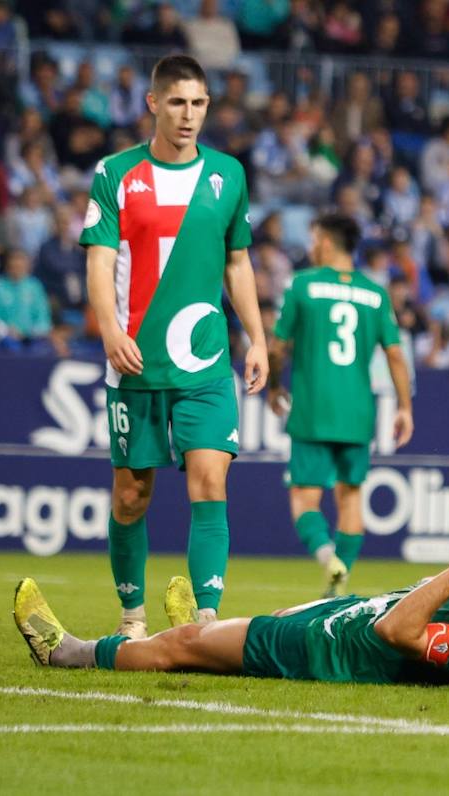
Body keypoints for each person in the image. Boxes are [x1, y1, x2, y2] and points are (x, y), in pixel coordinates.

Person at [13, 396, 449, 687]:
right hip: (347, 614)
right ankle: (200, 636)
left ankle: (68, 651)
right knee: (238, 629)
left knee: (184, 644)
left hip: (334, 653)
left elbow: (398, 634)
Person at [79, 55, 270, 641]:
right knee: (131, 495)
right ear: (153, 104)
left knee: (210, 480)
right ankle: (132, 617)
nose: (190, 115)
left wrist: (257, 339)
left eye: (200, 103)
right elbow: (99, 260)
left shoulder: (227, 175)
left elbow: (238, 262)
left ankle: (208, 618)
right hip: (136, 361)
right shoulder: (115, 173)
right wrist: (110, 329)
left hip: (205, 361)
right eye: (179, 102)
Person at [267, 213, 414, 596]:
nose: (312, 246)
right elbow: (396, 355)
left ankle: (327, 555)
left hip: (313, 407)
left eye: (315, 239)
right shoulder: (375, 292)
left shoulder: (303, 285)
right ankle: (340, 578)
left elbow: (278, 347)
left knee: (303, 496)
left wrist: (272, 386)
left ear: (327, 243)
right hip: (357, 413)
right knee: (351, 497)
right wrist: (404, 407)